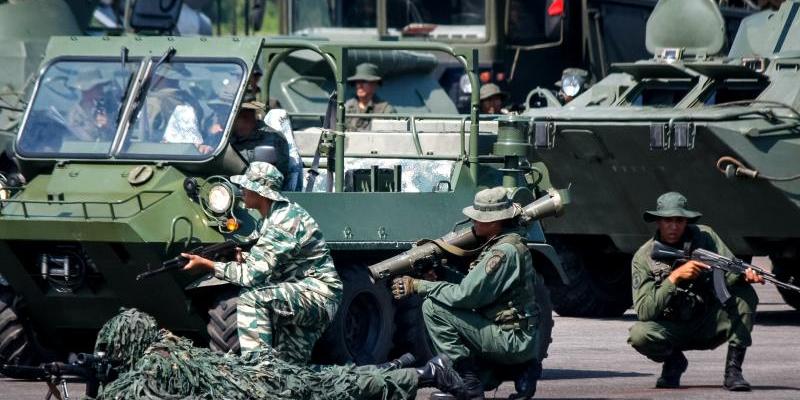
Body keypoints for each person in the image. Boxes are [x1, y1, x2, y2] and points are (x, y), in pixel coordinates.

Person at [87, 308, 466, 400]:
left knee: (335, 388)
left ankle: (425, 374)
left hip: (266, 389)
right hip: (259, 376)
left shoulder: (155, 366)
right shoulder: (171, 349)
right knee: (331, 380)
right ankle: (395, 368)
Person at [391, 187, 545, 400]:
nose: (473, 222)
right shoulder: (505, 245)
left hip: (511, 339)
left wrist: (418, 286)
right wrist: (441, 274)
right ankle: (521, 369)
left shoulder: (503, 252)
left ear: (494, 222)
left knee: (432, 307)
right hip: (516, 336)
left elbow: (466, 296)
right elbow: (478, 288)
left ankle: (468, 383)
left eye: (479, 218)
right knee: (486, 378)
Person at [181, 162, 342, 364]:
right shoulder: (270, 218)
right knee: (289, 367)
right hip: (303, 294)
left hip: (318, 296)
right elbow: (270, 261)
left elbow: (250, 276)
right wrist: (244, 257)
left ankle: (258, 368)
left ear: (261, 193)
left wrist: (208, 265)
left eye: (247, 187)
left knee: (251, 298)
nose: (242, 190)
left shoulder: (283, 221)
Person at [627, 192, 764, 391]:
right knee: (639, 334)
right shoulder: (644, 257)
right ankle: (674, 362)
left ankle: (733, 372)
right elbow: (644, 311)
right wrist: (674, 277)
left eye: (679, 221)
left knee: (745, 294)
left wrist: (745, 276)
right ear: (658, 221)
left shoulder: (705, 237)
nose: (674, 226)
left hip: (709, 323)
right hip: (671, 329)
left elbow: (729, 273)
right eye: (668, 221)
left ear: (686, 221)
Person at [231, 92, 292, 184]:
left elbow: (272, 179)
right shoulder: (223, 136)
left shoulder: (273, 140)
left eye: (245, 117)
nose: (240, 122)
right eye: (236, 117)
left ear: (253, 116)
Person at [67, 70, 116, 141]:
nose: (101, 90)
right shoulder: (74, 115)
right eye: (97, 88)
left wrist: (108, 126)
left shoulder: (108, 107)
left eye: (101, 87)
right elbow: (81, 141)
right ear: (86, 90)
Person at [344, 63, 395, 131]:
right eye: (357, 82)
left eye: (364, 81)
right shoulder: (346, 107)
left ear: (375, 84)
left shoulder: (385, 110)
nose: (359, 86)